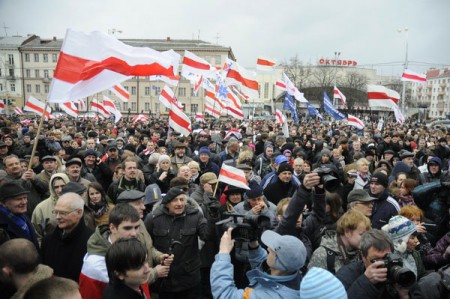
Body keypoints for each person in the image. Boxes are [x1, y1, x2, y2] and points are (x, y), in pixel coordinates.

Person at [79, 204, 171, 299]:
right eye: (127, 228)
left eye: (136, 227)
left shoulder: (135, 243)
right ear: (113, 228)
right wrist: (155, 272)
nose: (134, 234)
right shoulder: (94, 264)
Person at [144, 187, 214, 298]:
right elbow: (147, 245)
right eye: (175, 200)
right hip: (165, 280)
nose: (179, 203)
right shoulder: (153, 218)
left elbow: (207, 236)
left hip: (190, 279)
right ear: (167, 203)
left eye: (182, 200)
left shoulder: (195, 215)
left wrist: (212, 217)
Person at [210, 229, 307, 298]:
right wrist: (254, 246)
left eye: (272, 250)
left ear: (278, 262)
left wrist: (223, 253)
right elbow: (269, 268)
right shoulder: (293, 274)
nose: (268, 248)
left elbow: (226, 295)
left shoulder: (267, 296)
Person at [336, 229, 423, 299]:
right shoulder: (347, 275)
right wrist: (366, 282)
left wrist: (405, 296)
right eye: (376, 259)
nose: (383, 263)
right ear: (363, 257)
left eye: (387, 258)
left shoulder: (401, 274)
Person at [40, 192, 94, 282]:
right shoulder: (47, 240)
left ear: (79, 212)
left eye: (63, 213)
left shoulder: (91, 241)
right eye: (56, 212)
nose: (57, 217)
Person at [308, 209, 371, 274]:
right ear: (347, 232)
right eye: (362, 234)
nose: (366, 238)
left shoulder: (362, 253)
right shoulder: (323, 254)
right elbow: (312, 283)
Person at [31, 172, 70, 244]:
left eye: (63, 186)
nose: (60, 190)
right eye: (56, 187)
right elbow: (37, 234)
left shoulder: (76, 203)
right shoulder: (41, 208)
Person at [0, 181, 39, 248]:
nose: (24, 202)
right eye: (18, 199)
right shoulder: (2, 226)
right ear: (4, 203)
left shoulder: (22, 215)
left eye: (25, 198)